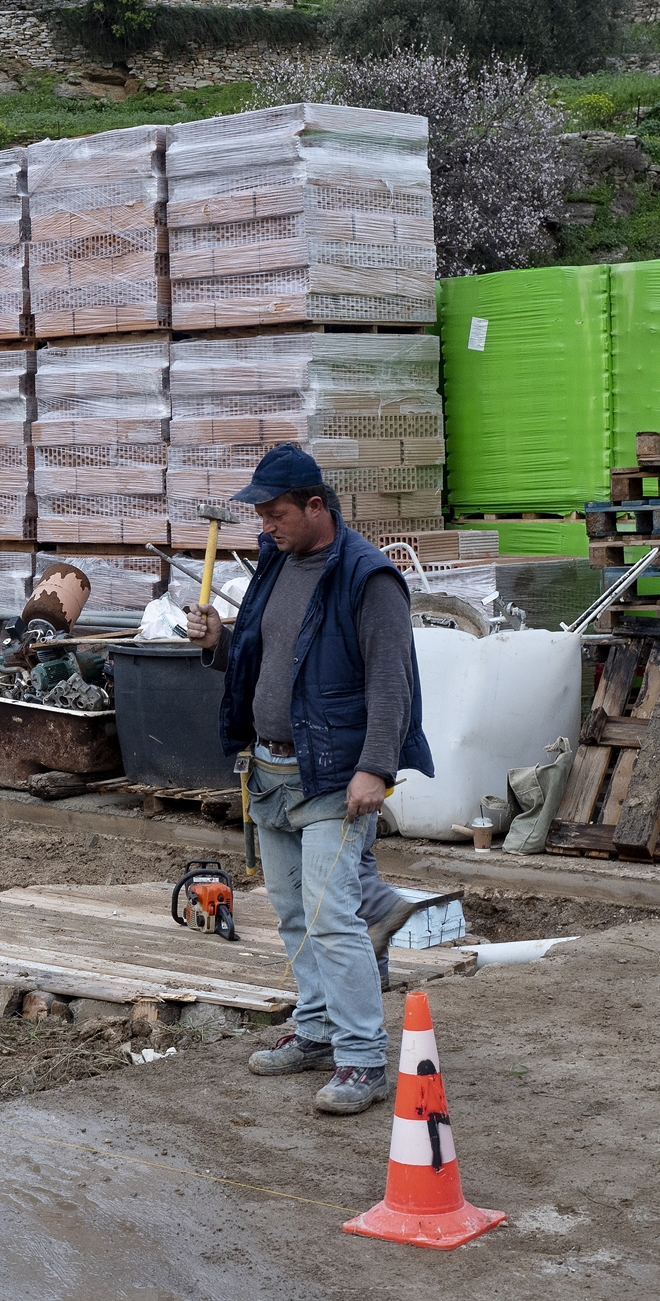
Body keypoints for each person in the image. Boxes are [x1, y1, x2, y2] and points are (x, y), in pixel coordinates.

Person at [186, 443, 432, 1116]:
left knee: (331, 918)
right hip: (271, 770)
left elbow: (392, 683)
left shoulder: (367, 576)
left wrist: (375, 768)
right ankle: (317, 1030)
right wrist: (218, 643)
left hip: (333, 775)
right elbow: (262, 656)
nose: (265, 525)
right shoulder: (276, 563)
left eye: (276, 513)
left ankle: (363, 1059)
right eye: (261, 514)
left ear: (316, 505)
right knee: (293, 913)